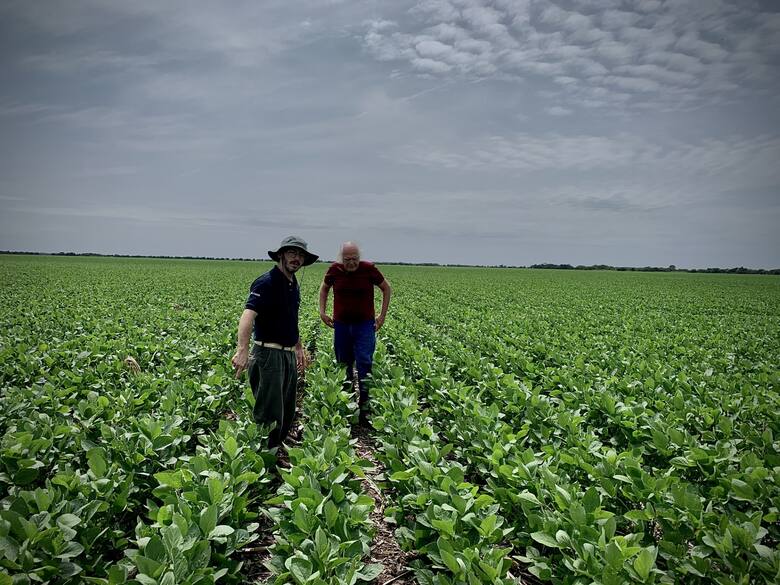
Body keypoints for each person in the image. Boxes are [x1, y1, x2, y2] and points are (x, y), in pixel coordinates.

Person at [231, 235, 318, 449]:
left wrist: (298, 346)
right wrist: (242, 350)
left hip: (287, 354)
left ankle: (277, 447)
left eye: (300, 255)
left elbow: (289, 319)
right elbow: (248, 316)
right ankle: (265, 461)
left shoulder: (292, 283)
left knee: (287, 409)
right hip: (268, 355)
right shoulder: (266, 282)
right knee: (269, 413)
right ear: (280, 255)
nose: (296, 258)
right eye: (292, 253)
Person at [319, 241, 392, 425]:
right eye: (347, 259)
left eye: (355, 259)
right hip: (341, 325)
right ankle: (348, 403)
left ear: (359, 258)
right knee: (344, 363)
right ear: (341, 259)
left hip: (364, 326)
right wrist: (322, 311)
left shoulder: (369, 269)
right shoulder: (334, 270)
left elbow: (386, 288)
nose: (351, 262)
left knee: (364, 362)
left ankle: (365, 406)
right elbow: (324, 287)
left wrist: (382, 316)